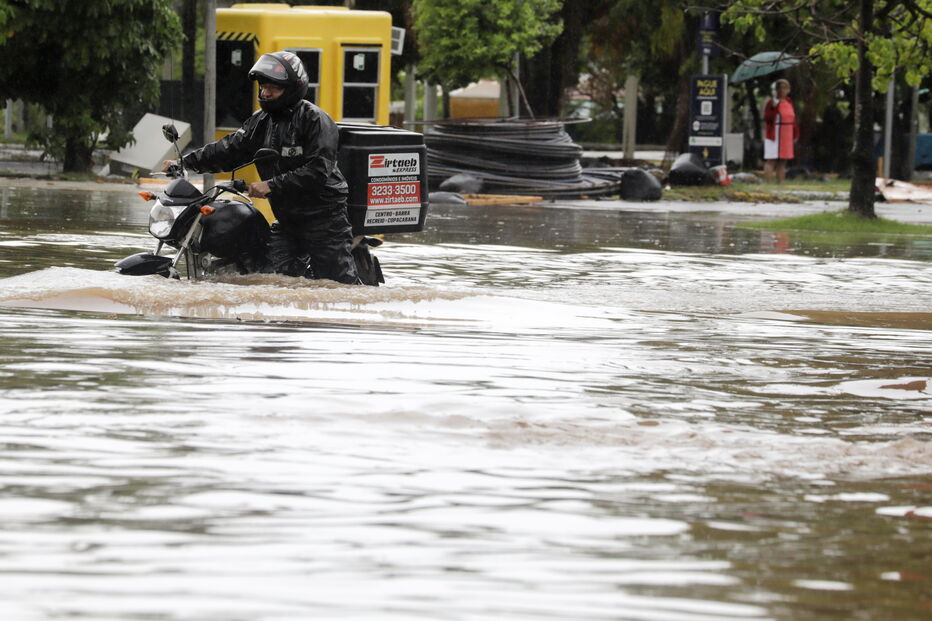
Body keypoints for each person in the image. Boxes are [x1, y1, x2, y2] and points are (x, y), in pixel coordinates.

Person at [163, 51, 360, 284]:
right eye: (263, 87)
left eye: (273, 88)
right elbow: (229, 149)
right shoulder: (260, 122)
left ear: (292, 88)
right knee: (269, 278)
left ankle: (367, 317)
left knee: (338, 286)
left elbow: (318, 170)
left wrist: (271, 185)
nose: (265, 93)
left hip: (324, 220)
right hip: (287, 220)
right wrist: (185, 162)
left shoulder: (314, 120)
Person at [762, 78, 799, 184]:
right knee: (772, 159)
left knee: (783, 160)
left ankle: (780, 183)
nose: (783, 90)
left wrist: (795, 133)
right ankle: (768, 182)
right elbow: (767, 117)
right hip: (775, 133)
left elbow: (793, 118)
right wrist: (774, 108)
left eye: (785, 88)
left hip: (787, 133)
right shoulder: (772, 102)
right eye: (781, 88)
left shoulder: (789, 101)